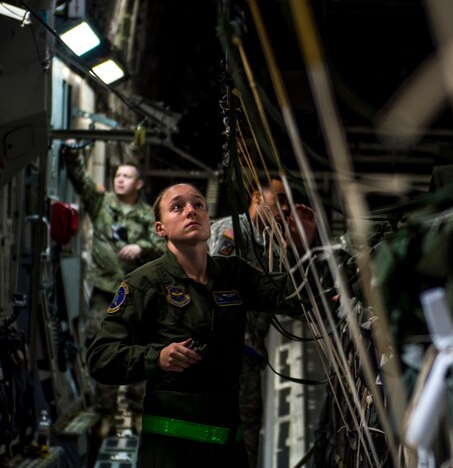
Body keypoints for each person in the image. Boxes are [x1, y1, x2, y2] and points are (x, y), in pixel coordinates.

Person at [87, 183, 304, 467]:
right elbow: (101, 358)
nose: (191, 210)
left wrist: (301, 249)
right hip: (170, 453)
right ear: (160, 229)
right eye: (178, 207)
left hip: (227, 451)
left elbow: (295, 299)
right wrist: (158, 358)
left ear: (209, 222)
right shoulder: (145, 283)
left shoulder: (233, 274)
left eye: (198, 205)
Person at [208, 174, 317, 468]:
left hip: (248, 358)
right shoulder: (233, 232)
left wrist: (303, 246)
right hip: (220, 356)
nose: (283, 208)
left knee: (245, 442)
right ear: (257, 196)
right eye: (278, 198)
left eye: (287, 202)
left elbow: (289, 297)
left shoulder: (271, 245)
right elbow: (222, 287)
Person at [61, 145, 164, 433]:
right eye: (118, 175)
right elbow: (81, 181)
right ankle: (105, 411)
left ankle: (137, 410)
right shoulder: (101, 204)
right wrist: (71, 155)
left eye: (127, 176)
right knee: (103, 348)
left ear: (139, 184)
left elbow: (163, 247)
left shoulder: (147, 216)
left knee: (139, 350)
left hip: (137, 297)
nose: (120, 179)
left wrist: (141, 247)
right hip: (105, 292)